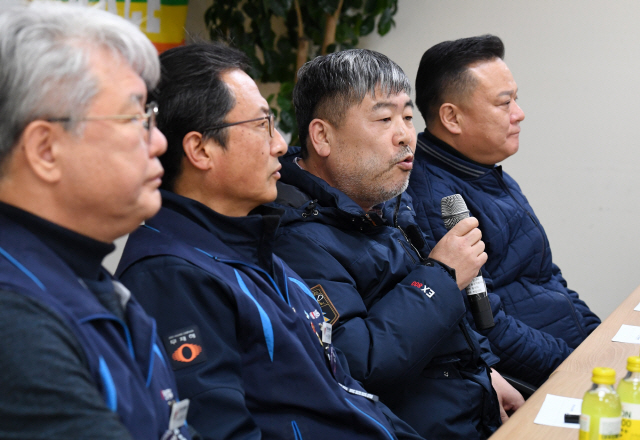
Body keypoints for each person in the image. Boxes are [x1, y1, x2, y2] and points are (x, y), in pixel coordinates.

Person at [116, 42, 426, 440]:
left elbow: (347, 394)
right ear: (201, 149)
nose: (280, 145)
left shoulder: (249, 244)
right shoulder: (172, 276)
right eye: (262, 125)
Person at [271, 48, 523, 440]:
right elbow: (358, 364)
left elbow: (448, 321)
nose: (405, 135)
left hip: (473, 403)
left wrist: (486, 370)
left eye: (407, 117)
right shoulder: (295, 236)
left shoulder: (384, 204)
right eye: (384, 118)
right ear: (322, 136)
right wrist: (440, 274)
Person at [0, 3, 192, 439]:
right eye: (136, 118)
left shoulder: (89, 278)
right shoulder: (15, 322)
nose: (160, 141)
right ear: (46, 150)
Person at [407, 34, 601, 387]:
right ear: (452, 117)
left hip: (570, 358)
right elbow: (487, 325)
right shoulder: (439, 201)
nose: (519, 113)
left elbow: (549, 279)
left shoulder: (487, 171)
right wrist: (577, 367)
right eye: (504, 103)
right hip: (533, 380)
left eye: (516, 99)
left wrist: (600, 343)